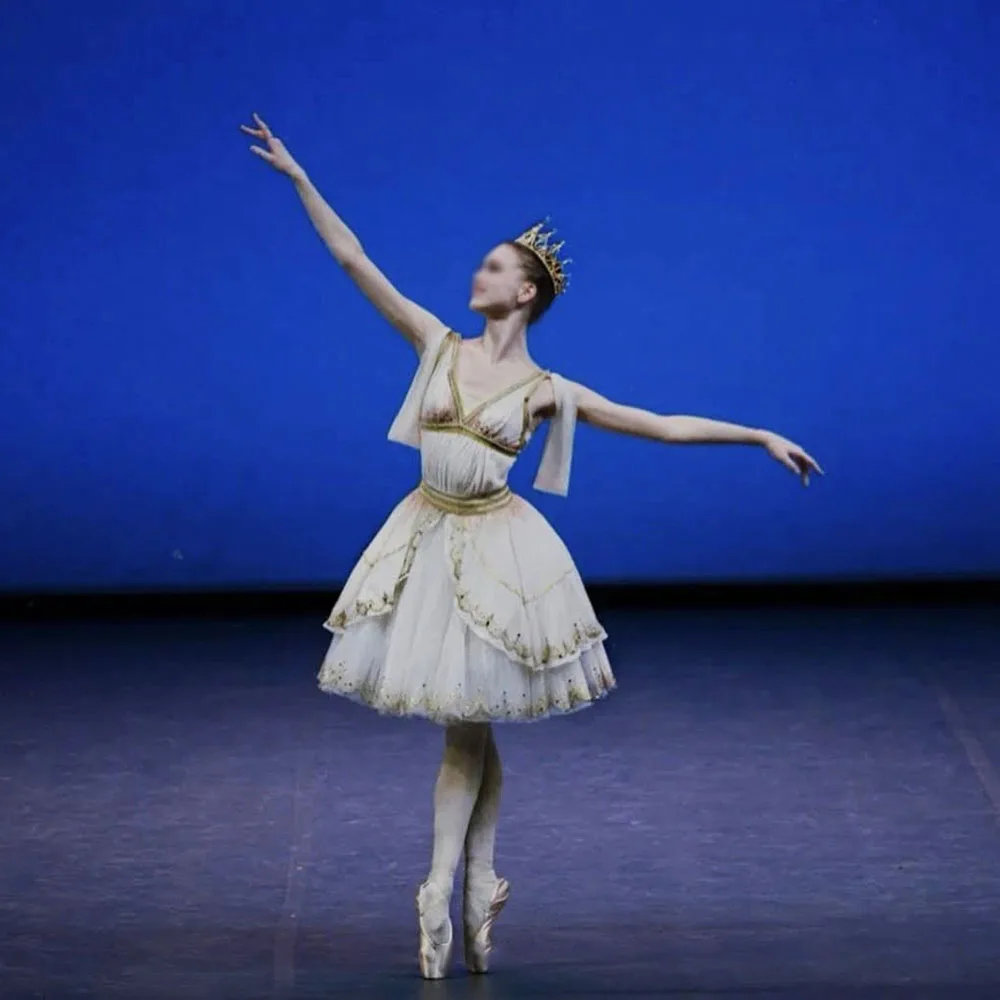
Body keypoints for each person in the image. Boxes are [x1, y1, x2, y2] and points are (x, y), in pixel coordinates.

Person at [241, 112, 823, 979]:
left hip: (498, 550)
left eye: (495, 267)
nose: (478, 273)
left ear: (525, 295)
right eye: (482, 264)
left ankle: (461, 885)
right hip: (430, 539)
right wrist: (300, 179)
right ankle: (459, 882)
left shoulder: (549, 388)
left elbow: (658, 425)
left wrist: (757, 434)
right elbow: (354, 259)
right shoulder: (436, 340)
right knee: (470, 729)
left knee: (472, 727)